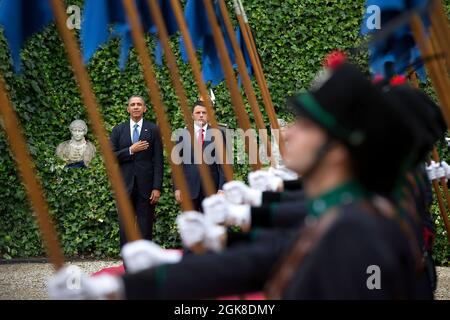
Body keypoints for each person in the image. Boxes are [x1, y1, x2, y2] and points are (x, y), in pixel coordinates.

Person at [48, 62, 434, 300]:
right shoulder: (344, 213)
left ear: (336, 150)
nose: (288, 134)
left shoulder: (356, 232)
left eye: (305, 125)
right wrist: (132, 286)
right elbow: (263, 256)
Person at [109, 96, 164, 247]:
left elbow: (158, 160)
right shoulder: (118, 130)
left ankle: (145, 266)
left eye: (139, 104)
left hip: (146, 189)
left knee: (145, 228)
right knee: (125, 228)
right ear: (128, 109)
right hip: (125, 187)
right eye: (132, 104)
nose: (136, 107)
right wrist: (130, 150)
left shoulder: (153, 129)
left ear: (145, 108)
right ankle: (128, 266)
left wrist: (157, 187)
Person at [173, 100, 226, 211]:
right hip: (189, 189)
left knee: (211, 225)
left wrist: (222, 188)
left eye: (204, 112)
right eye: (198, 113)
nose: (201, 115)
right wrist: (177, 188)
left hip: (212, 189)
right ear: (192, 115)